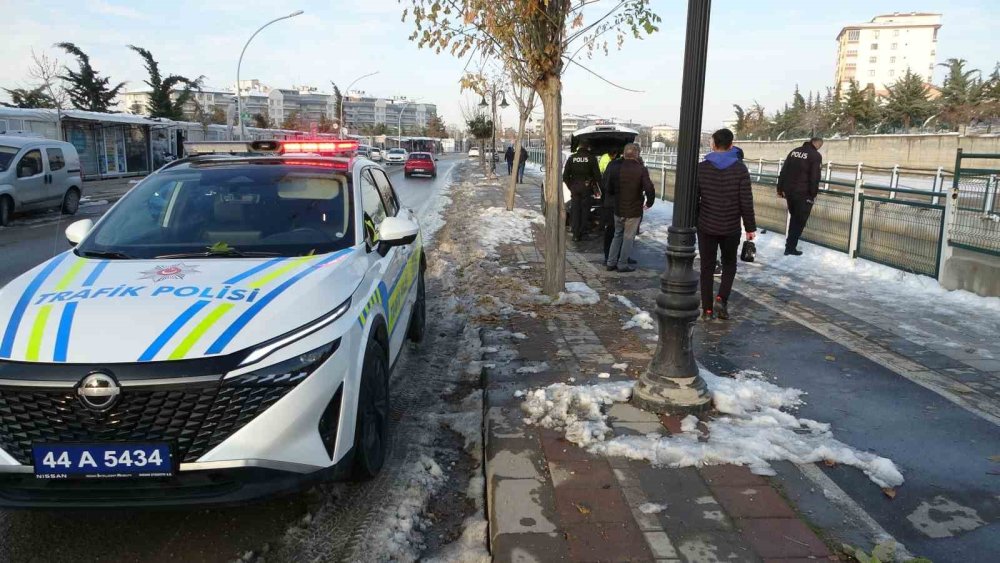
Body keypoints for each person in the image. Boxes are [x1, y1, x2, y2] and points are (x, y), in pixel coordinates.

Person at [697, 129, 756, 320]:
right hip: (731, 226)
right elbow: (746, 200)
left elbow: (694, 198)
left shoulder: (702, 168)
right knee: (729, 264)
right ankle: (722, 298)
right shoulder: (740, 169)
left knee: (706, 267)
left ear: (713, 144)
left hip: (706, 225)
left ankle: (706, 309)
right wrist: (750, 228)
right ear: (732, 145)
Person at [606, 143, 654, 272]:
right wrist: (649, 202)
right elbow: (649, 188)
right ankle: (622, 264)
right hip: (633, 209)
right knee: (628, 237)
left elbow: (608, 186)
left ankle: (611, 262)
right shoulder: (641, 169)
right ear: (637, 154)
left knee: (617, 235)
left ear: (624, 153)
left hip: (618, 207)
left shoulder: (616, 167)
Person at [777, 137, 823, 256]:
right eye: (820, 146)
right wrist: (813, 194)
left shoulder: (794, 151)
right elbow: (815, 177)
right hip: (804, 193)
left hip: (789, 192)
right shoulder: (815, 156)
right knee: (799, 221)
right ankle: (790, 247)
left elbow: (784, 171)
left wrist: (780, 188)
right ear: (817, 144)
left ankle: (789, 246)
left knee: (794, 219)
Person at [563, 140, 602, 241]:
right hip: (586, 187)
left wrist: (571, 186)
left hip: (575, 188)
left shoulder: (572, 158)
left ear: (578, 148)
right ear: (587, 147)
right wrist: (599, 187)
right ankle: (583, 232)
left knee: (575, 210)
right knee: (585, 210)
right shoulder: (591, 158)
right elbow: (597, 176)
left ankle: (575, 234)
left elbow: (565, 176)